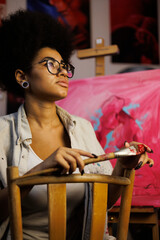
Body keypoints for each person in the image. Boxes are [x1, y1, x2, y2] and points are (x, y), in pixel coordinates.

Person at [0, 10, 154, 240]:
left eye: (64, 65)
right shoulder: (2, 132)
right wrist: (38, 172)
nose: (63, 71)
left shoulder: (82, 127)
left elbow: (103, 202)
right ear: (23, 76)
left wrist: (123, 166)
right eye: (51, 64)